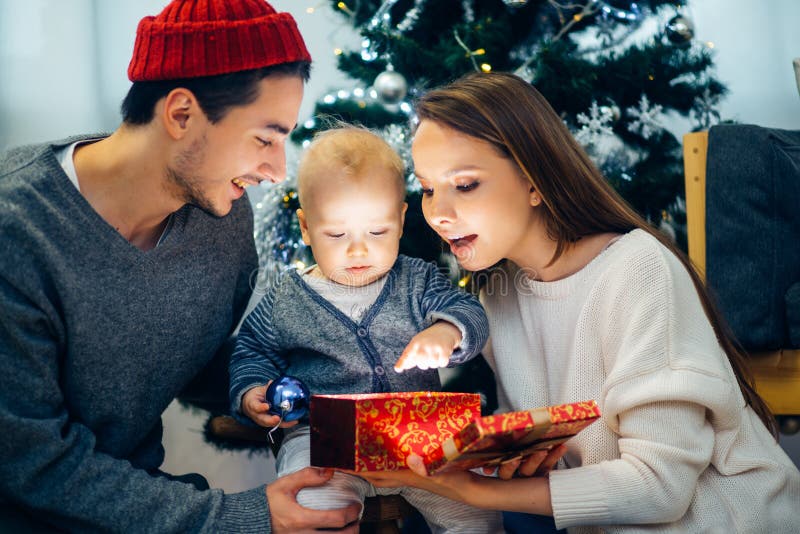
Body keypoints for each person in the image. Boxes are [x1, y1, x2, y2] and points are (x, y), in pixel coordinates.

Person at [359, 71, 800, 533]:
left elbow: (660, 489)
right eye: (428, 188)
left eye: (465, 184)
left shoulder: (636, 268)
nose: (439, 214)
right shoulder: (498, 294)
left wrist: (466, 488)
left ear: (535, 182)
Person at [0, 1, 361, 532]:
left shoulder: (222, 217)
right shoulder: (18, 233)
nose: (275, 170)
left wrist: (313, 374)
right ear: (181, 114)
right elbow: (33, 466)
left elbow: (185, 352)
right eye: (265, 138)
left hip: (135, 505)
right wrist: (243, 516)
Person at [229, 125, 503, 533]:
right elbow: (251, 351)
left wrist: (448, 330)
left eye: (378, 231)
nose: (359, 250)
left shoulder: (418, 280)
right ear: (306, 228)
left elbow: (468, 310)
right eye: (336, 234)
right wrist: (254, 394)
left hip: (417, 432)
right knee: (312, 507)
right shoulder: (286, 297)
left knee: (476, 512)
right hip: (322, 439)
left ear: (401, 218)